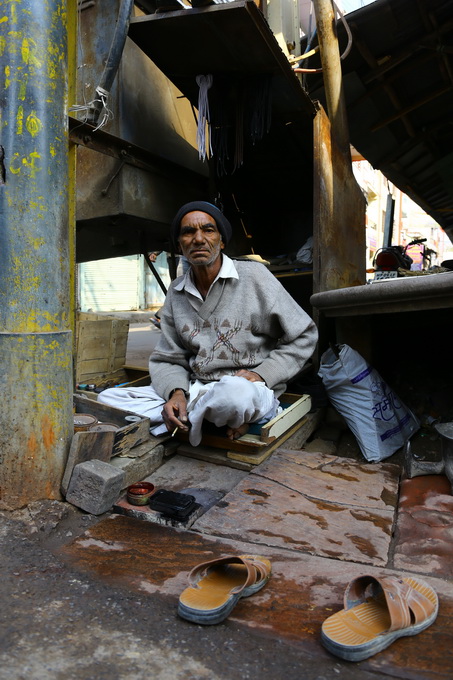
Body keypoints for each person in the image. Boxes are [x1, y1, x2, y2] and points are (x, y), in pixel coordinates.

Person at [98, 201, 318, 446]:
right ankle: (207, 418)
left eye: (208, 230)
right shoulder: (176, 291)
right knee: (108, 398)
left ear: (221, 241)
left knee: (233, 396)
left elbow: (304, 335)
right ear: (180, 245)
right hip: (197, 389)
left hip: (246, 390)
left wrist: (263, 374)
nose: (199, 238)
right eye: (188, 232)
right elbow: (168, 358)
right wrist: (176, 393)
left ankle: (204, 419)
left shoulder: (254, 277)